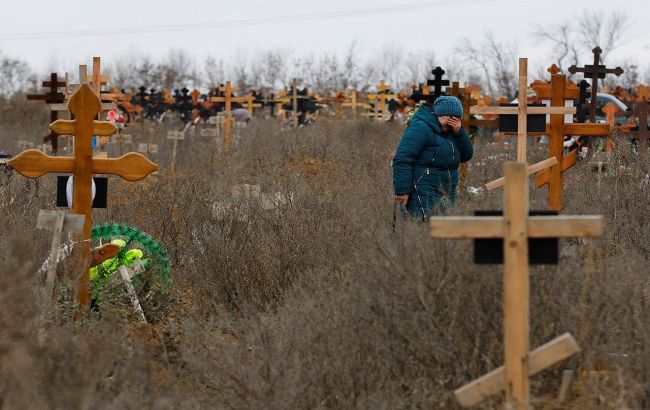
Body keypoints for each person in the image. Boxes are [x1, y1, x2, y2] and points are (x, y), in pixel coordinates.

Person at [392, 96, 473, 220]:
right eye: (452, 118)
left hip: (447, 191)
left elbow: (466, 155)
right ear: (441, 114)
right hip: (423, 189)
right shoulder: (421, 127)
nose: (455, 121)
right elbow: (402, 159)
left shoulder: (453, 132)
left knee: (444, 231)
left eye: (458, 118)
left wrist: (460, 132)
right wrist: (403, 191)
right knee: (424, 230)